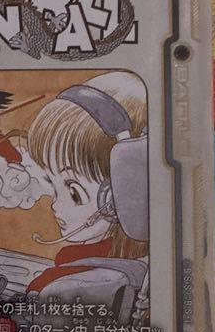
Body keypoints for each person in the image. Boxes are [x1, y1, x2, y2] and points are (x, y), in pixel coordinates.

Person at [25, 73, 148, 296]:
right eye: (51, 182)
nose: (55, 205)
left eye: (74, 192)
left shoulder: (57, 285)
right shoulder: (144, 263)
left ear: (114, 199)